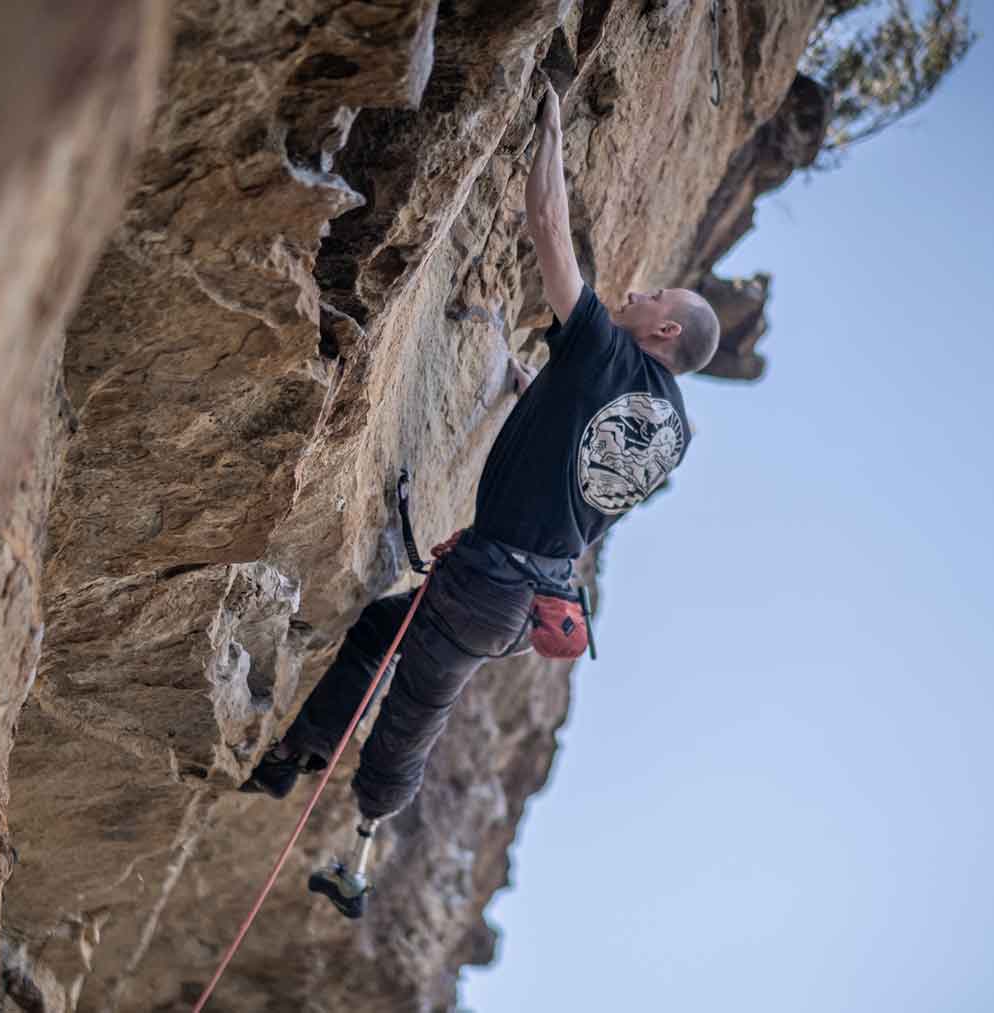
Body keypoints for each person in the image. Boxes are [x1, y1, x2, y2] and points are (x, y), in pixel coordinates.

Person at [239, 80, 721, 918]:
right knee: (391, 649)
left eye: (650, 298)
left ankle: (356, 842)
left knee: (412, 694)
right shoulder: (671, 427)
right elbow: (587, 467)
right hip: (522, 596)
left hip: (486, 578)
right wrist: (534, 389)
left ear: (665, 331)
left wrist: (551, 134)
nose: (635, 294)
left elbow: (550, 233)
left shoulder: (608, 355)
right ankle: (302, 765)